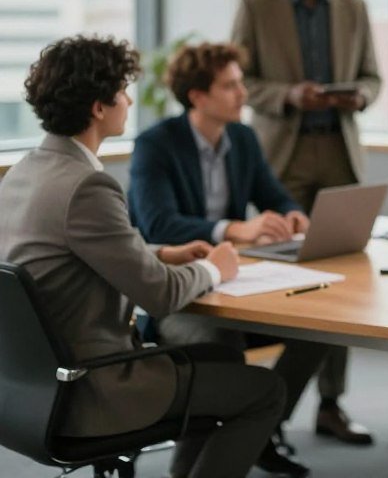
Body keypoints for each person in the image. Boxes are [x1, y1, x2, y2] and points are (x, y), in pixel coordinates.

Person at [0, 35, 285, 478]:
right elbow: (160, 296)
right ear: (99, 107)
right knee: (265, 391)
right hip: (95, 390)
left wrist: (163, 252)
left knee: (224, 359)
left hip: (30, 391)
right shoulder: (88, 187)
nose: (130, 100)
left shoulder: (23, 173)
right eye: (122, 90)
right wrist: (214, 267)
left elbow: (73, 251)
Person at [128, 42, 352, 476]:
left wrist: (293, 214)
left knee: (320, 327)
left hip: (235, 281)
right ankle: (197, 461)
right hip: (180, 293)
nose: (242, 94)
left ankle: (260, 429)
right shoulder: (155, 145)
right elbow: (157, 225)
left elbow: (273, 193)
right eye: (229, 86)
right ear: (197, 96)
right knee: (219, 340)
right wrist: (232, 229)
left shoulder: (243, 138)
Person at [231, 0, 380, 446]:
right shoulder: (258, 7)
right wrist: (288, 96)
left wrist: (360, 94)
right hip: (284, 159)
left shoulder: (355, 8)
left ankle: (331, 405)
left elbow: (373, 76)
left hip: (338, 153)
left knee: (340, 280)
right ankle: (267, 406)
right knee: (285, 280)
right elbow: (240, 81)